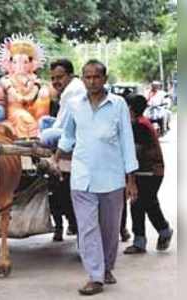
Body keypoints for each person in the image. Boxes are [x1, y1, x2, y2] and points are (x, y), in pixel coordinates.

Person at [53, 59, 138, 295]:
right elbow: (68, 135)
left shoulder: (118, 104)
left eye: (96, 77)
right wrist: (56, 158)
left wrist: (131, 179)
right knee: (87, 228)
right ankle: (95, 276)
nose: (92, 81)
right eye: (87, 77)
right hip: (82, 178)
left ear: (105, 79)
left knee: (110, 230)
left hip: (111, 179)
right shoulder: (74, 104)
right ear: (82, 78)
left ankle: (107, 267)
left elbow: (127, 142)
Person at [40, 59, 85, 241]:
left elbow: (66, 126)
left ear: (70, 75)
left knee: (45, 134)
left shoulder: (73, 91)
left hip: (70, 140)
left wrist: (55, 155)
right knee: (44, 122)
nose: (56, 81)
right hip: (66, 137)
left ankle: (67, 224)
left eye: (60, 77)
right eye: (53, 78)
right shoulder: (68, 90)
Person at [123, 94, 173, 254]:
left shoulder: (139, 125)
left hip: (148, 172)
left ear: (130, 108)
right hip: (151, 171)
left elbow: (135, 152)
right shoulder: (141, 123)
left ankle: (142, 240)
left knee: (139, 204)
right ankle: (162, 231)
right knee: (148, 204)